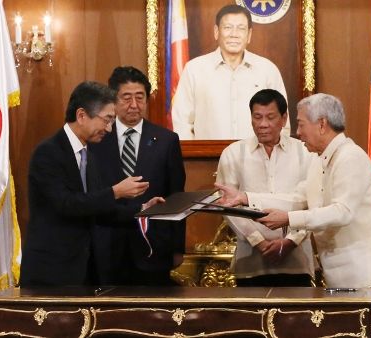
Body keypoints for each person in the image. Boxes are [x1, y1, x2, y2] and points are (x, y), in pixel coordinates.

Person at [253, 93, 371, 338]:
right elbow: (296, 198)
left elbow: (342, 212)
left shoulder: (351, 157)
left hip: (369, 279)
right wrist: (246, 199)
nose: (298, 132)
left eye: (301, 124)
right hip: (341, 278)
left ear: (321, 124)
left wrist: (289, 219)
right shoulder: (319, 161)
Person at [21, 81, 161, 287]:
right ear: (81, 115)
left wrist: (142, 209)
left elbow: (98, 209)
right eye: (106, 120)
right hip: (52, 270)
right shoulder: (48, 152)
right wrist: (115, 192)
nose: (109, 128)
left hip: (86, 270)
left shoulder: (89, 155)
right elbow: (66, 204)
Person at [90, 66, 186, 286]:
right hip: (107, 248)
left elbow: (176, 196)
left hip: (153, 248)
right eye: (126, 98)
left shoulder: (166, 140)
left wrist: (178, 248)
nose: (134, 105)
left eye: (140, 97)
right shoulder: (97, 139)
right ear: (113, 100)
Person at [215, 89, 314, 287]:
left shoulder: (305, 152)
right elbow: (226, 205)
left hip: (297, 260)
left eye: (270, 117)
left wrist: (290, 241)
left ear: (284, 119)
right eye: (257, 117)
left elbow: (311, 203)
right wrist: (258, 242)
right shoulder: (234, 153)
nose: (262, 124)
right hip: (250, 260)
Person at [171, 4, 290, 140]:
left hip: (258, 158)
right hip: (207, 158)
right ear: (216, 31)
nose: (234, 34)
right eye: (228, 28)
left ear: (249, 35)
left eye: (241, 28)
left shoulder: (267, 70)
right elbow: (182, 124)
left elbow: (282, 123)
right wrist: (193, 158)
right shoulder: (194, 69)